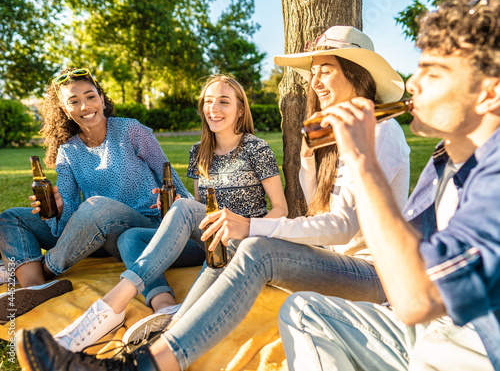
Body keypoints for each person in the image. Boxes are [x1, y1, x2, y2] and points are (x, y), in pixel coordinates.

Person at [14, 26, 412, 370]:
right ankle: (154, 324)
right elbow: (319, 212)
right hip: (321, 256)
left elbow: (341, 226)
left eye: (327, 70)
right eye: (313, 73)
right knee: (179, 224)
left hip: (370, 270)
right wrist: (310, 158)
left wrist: (247, 224)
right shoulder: (326, 135)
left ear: (357, 74)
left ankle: (120, 326)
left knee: (253, 247)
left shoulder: (382, 131)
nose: (316, 81)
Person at [277, 0, 500, 371]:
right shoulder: (445, 160)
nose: (413, 84)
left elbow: (418, 297)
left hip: (473, 345)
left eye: (432, 72)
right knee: (302, 311)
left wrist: (362, 161)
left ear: (488, 94)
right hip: (419, 330)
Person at [50, 74, 288, 351]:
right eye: (208, 102)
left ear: (240, 109)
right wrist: (174, 204)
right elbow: (198, 207)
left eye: (224, 102)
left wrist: (244, 229)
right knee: (130, 238)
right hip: (207, 239)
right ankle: (163, 305)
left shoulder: (256, 148)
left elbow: (281, 209)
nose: (214, 108)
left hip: (242, 240)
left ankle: (126, 314)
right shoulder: (199, 152)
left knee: (200, 292)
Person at [0, 68, 190, 323]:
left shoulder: (131, 131)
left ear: (102, 98)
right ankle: (34, 288)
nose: (85, 106)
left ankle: (47, 268)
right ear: (65, 110)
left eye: (90, 96)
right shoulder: (68, 151)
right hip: (94, 233)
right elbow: (66, 221)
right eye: (74, 101)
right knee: (11, 217)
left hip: (145, 226)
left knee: (95, 207)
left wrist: (182, 208)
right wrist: (56, 210)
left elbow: (171, 179)